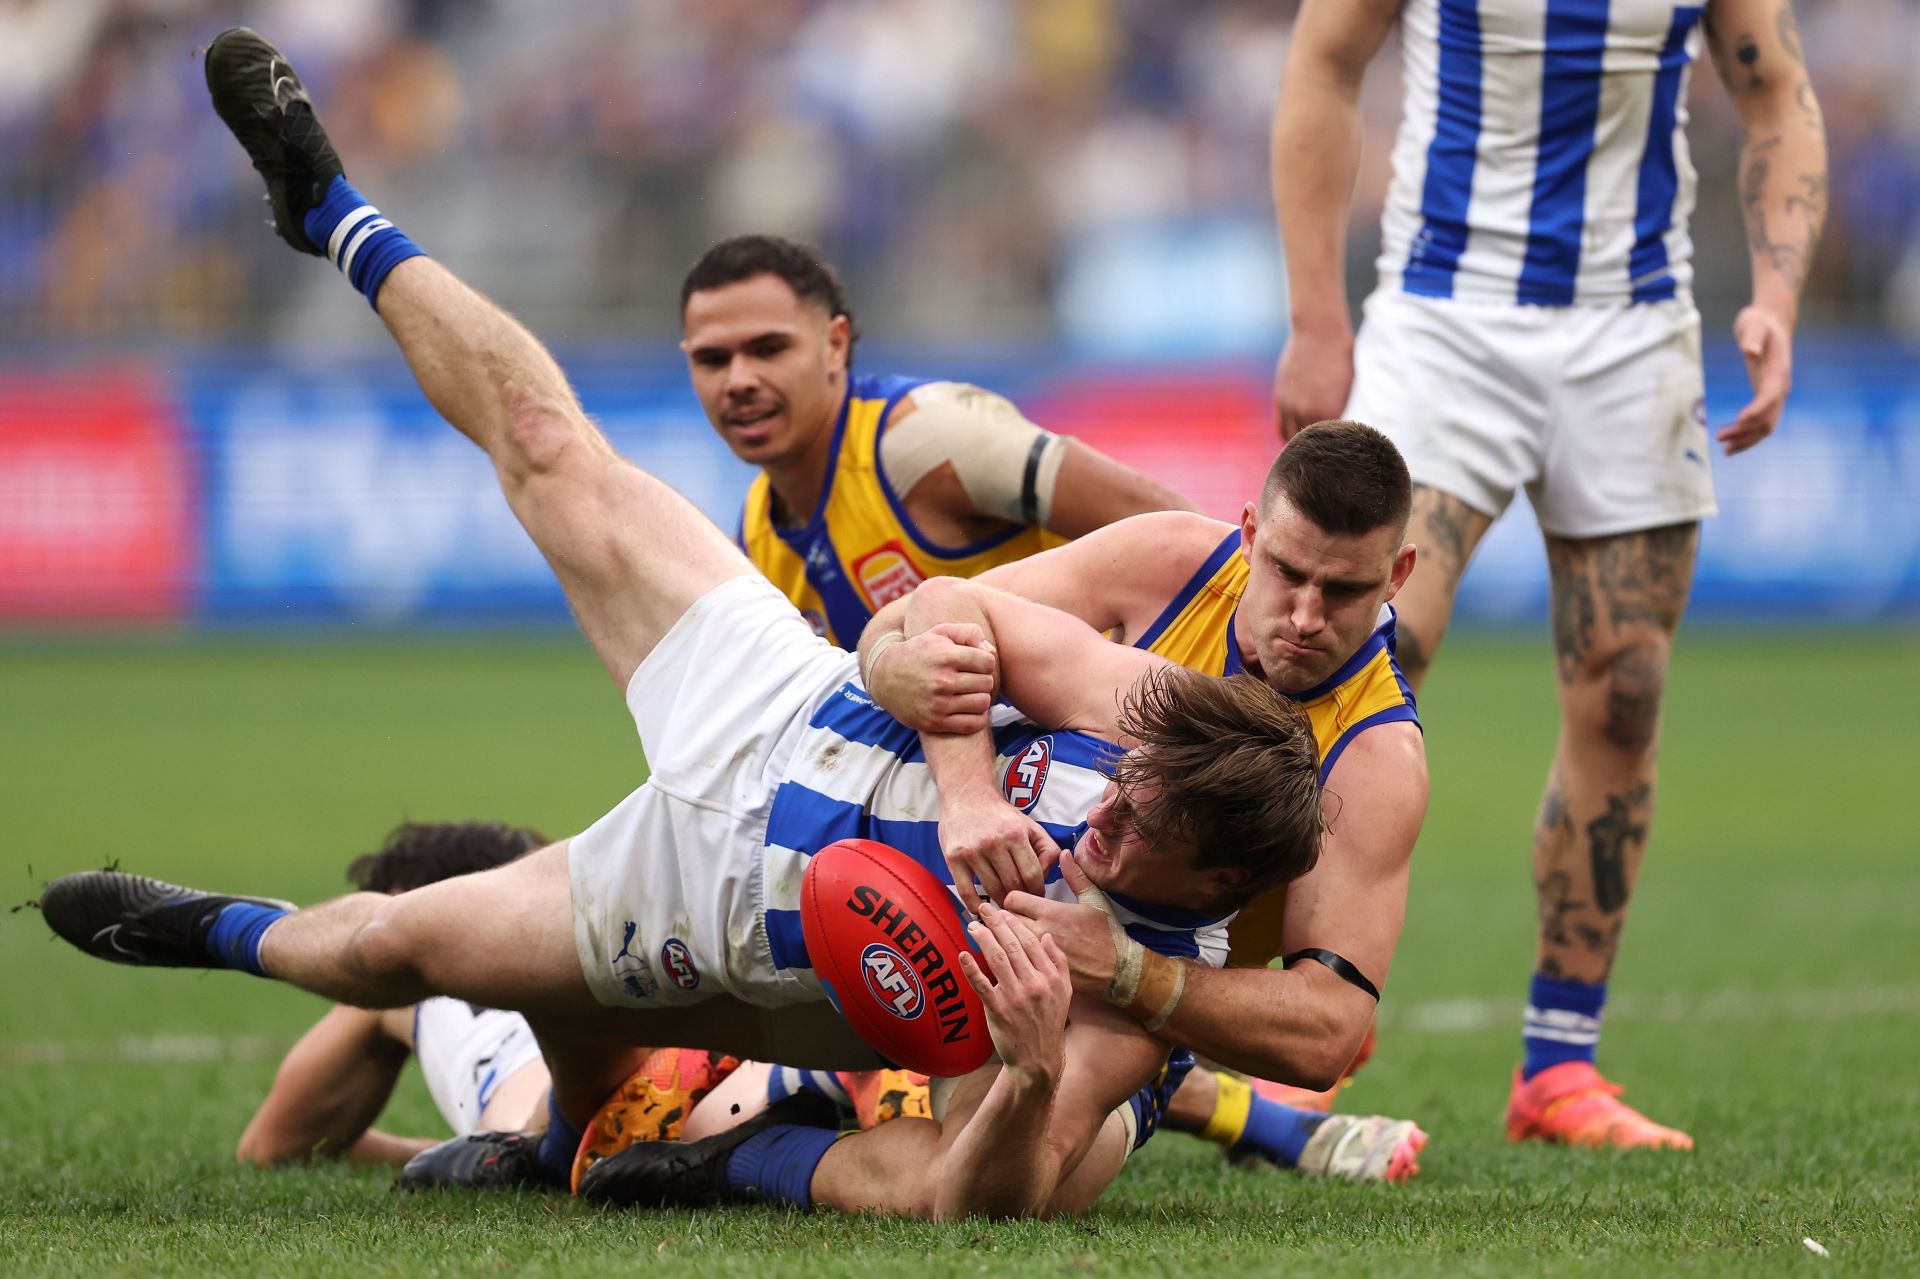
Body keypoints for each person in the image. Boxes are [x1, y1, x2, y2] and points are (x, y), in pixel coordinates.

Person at [38, 27, 1326, 1222]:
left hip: (723, 915)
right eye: (1126, 792)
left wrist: (1035, 1073)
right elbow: (946, 610)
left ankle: (221, 929)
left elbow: (964, 1196)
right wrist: (971, 781)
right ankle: (335, 213)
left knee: (397, 943)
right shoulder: (1141, 708)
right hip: (784, 702)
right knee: (553, 451)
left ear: (1212, 885)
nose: (1107, 815)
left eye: (1139, 829)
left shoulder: (1131, 985)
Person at [1267, 0, 1827, 1149]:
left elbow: (1776, 93)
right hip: (1442, 318)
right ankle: (1306, 1022)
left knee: (1624, 690)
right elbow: (1324, 63)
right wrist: (1317, 313)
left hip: (1631, 328)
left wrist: (1775, 299)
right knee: (1358, 653)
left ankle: (1558, 1068)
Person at [853, 420, 1431, 1191]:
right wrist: (890, 668)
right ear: (1251, 532)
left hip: (1130, 1020)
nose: (1304, 616)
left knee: (1020, 1190)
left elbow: (1328, 1031)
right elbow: (916, 620)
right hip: (943, 904)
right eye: (1288, 571)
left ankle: (758, 1139)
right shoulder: (1172, 557)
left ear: (1398, 575)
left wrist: (1127, 972)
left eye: (1345, 589)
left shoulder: (1375, 757)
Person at [682, 234, 1196, 649]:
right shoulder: (753, 541)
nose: (738, 380)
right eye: (712, 360)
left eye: (768, 349)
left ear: (835, 345)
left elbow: (1183, 539)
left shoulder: (929, 439)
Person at [235, 822, 558, 1168]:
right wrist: (443, 1152)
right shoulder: (558, 944)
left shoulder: (398, 975)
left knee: (534, 1135)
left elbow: (275, 1146)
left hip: (535, 1128)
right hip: (554, 1115)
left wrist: (446, 1152)